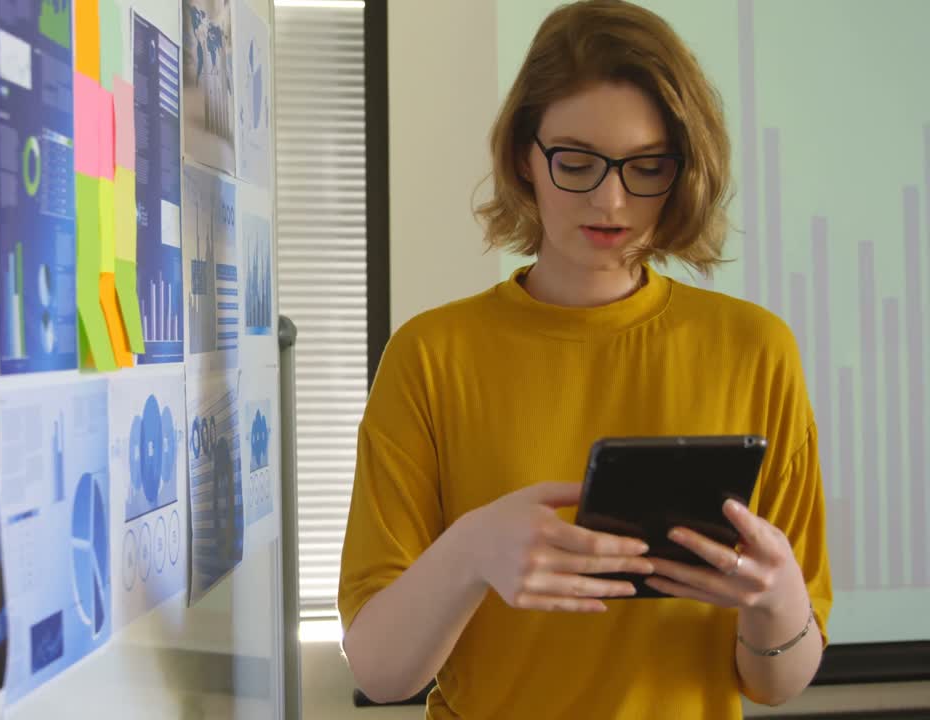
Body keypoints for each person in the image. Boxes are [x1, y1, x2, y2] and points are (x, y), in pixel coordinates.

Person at [336, 1, 832, 717]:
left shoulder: (756, 349)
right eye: (576, 161)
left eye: (646, 166)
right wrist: (472, 551)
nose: (610, 199)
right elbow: (384, 675)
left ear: (683, 170)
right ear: (522, 157)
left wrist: (777, 598)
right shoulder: (430, 355)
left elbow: (775, 684)